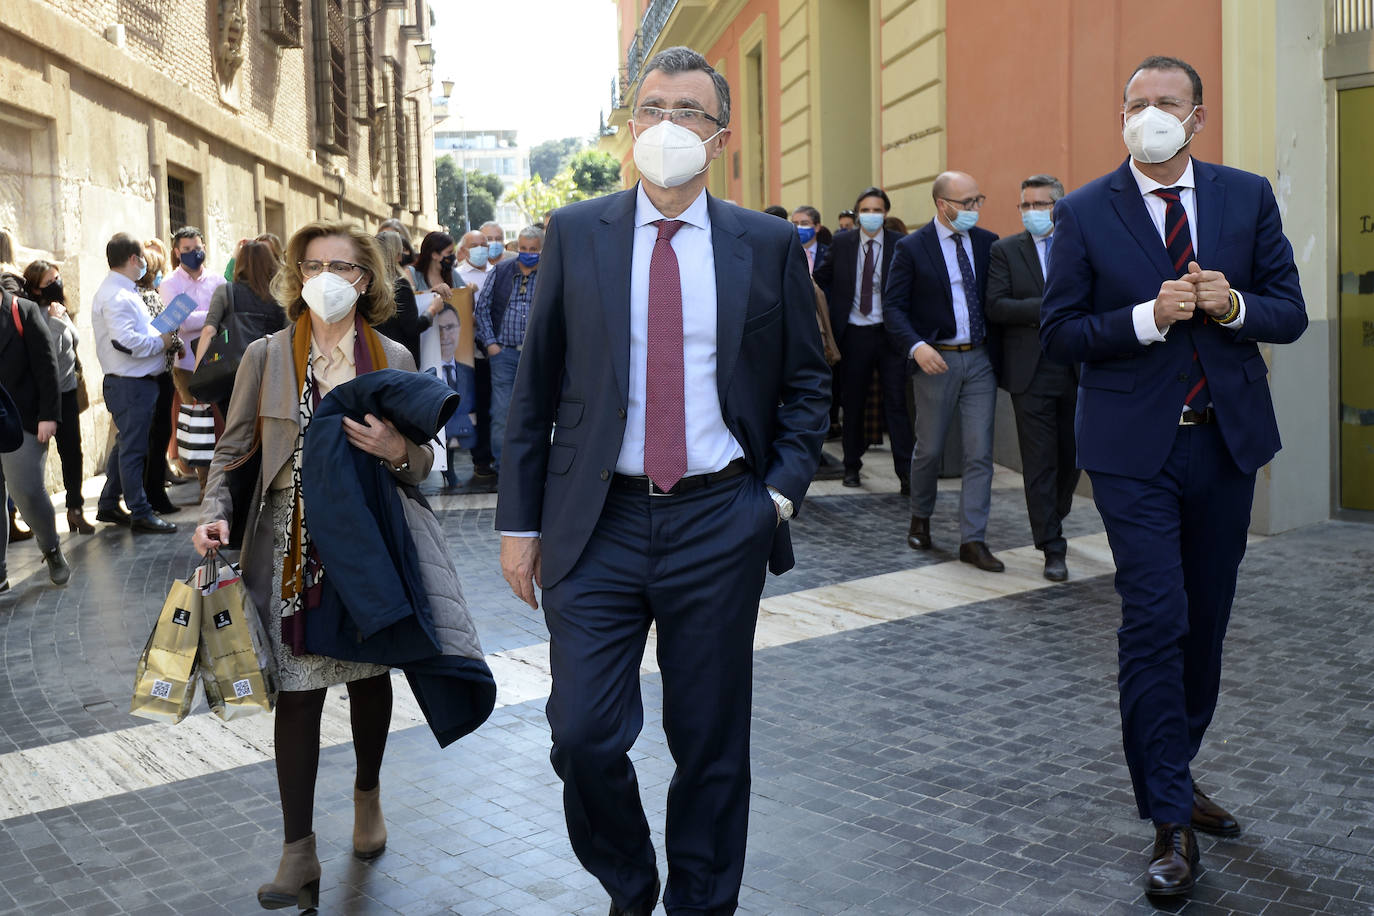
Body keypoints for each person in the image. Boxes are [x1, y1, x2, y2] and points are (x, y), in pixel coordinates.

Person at [497, 46, 829, 916]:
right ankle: (630, 882)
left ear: (719, 136)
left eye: (690, 111)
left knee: (712, 740)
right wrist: (516, 525)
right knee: (583, 734)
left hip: (721, 517)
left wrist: (777, 497)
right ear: (629, 126)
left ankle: (700, 904)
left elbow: (807, 382)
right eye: (654, 108)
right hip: (593, 520)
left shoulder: (763, 242)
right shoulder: (577, 231)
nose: (669, 125)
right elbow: (534, 392)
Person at [1041, 55, 1307, 898]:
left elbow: (1289, 311)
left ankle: (1176, 769)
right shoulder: (1084, 212)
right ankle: (1166, 820)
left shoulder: (1245, 195)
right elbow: (1060, 333)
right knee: (1154, 621)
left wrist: (1232, 307)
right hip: (1133, 454)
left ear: (1198, 117)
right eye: (1136, 103)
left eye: (1168, 103)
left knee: (1205, 622)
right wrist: (1145, 318)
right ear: (1120, 116)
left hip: (1223, 444)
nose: (1150, 114)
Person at [192, 220, 432, 910]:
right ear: (296, 277)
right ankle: (298, 852)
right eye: (315, 264)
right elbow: (233, 451)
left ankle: (367, 796)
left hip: (367, 547)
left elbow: (420, 465)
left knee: (367, 678)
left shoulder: (392, 357)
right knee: (296, 693)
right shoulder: (268, 356)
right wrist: (215, 511)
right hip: (289, 549)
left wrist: (393, 446)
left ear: (369, 280)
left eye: (346, 266)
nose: (329, 277)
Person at [884, 171, 1004, 571]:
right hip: (936, 360)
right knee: (930, 449)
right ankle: (921, 516)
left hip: (981, 360)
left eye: (977, 200)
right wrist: (917, 347)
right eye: (967, 203)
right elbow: (894, 308)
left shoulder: (988, 244)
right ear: (943, 204)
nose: (974, 209)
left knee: (979, 452)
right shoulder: (912, 248)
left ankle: (973, 539)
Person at [986, 175, 1079, 582]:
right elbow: (997, 305)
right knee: (1039, 463)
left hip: (1078, 368)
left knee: (1073, 457)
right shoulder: (1005, 250)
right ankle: (1051, 546)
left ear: (1057, 207)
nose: (1031, 212)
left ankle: (1053, 513)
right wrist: (1051, 308)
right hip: (1030, 373)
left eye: (1039, 205)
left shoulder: (1080, 243)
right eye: (1025, 205)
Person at [814, 187, 913, 493]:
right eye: (866, 210)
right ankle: (851, 467)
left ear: (886, 213)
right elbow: (820, 278)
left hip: (889, 335)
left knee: (897, 404)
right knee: (852, 402)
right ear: (858, 214)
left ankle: (906, 472)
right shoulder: (843, 243)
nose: (872, 216)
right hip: (853, 334)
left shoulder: (901, 244)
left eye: (877, 210)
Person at [92, 235, 179, 533]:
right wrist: (161, 342)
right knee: (133, 449)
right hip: (130, 384)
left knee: (126, 445)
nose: (144, 262)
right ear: (132, 259)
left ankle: (107, 503)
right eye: (141, 257)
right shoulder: (116, 296)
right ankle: (140, 511)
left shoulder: (124, 292)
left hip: (136, 383)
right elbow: (125, 342)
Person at [0, 277, 71, 590]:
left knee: (26, 491)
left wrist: (48, 416)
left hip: (23, 420)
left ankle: (51, 547)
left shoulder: (22, 311)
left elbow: (47, 366)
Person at [22, 260, 93, 534]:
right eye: (50, 281)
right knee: (35, 456)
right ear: (37, 289)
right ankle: (31, 516)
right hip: (42, 396)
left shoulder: (59, 310)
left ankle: (75, 508)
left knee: (73, 452)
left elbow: (72, 344)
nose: (57, 284)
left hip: (67, 391)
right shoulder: (33, 314)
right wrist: (54, 320)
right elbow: (45, 352)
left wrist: (60, 318)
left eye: (58, 278)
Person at [161, 226, 227, 494]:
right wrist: (213, 314)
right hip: (187, 364)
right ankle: (205, 485)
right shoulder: (170, 284)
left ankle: (226, 478)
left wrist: (204, 316)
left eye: (197, 248)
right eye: (186, 250)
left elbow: (227, 314)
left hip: (219, 359)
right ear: (177, 252)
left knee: (223, 419)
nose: (193, 254)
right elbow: (181, 322)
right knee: (199, 423)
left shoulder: (217, 281)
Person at [474, 225, 542, 475]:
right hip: (505, 354)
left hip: (538, 356)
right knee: (502, 412)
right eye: (523, 248)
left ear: (542, 250)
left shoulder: (549, 272)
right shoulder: (502, 270)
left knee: (536, 411)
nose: (527, 253)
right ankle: (505, 468)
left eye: (533, 249)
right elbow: (482, 309)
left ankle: (534, 466)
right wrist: (491, 344)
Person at [194, 239, 287, 415]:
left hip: (230, 375)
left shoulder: (225, 291)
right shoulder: (281, 295)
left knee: (234, 428)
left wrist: (199, 372)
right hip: (271, 373)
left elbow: (208, 331)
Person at [135, 241, 181, 514]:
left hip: (144, 374)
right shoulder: (150, 297)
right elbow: (165, 336)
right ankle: (154, 495)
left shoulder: (135, 295)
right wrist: (176, 340)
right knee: (158, 434)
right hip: (159, 374)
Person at [454, 229, 496, 484]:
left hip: (496, 351)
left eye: (484, 243)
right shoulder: (458, 276)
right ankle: (481, 459)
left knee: (497, 408)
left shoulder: (497, 272)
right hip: (471, 354)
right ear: (465, 250)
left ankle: (496, 455)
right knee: (477, 407)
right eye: (476, 245)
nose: (482, 248)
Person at [432, 306, 475, 489]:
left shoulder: (468, 372)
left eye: (449, 327)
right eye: (439, 329)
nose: (444, 336)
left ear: (459, 328)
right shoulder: (426, 374)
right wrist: (465, 421)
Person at [372, 229, 423, 365]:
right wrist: (431, 312)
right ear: (397, 254)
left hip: (375, 357)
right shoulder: (400, 285)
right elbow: (412, 327)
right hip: (401, 360)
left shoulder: (367, 283)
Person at [790, 205, 826, 272]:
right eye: (795, 224)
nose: (799, 227)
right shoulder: (786, 253)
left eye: (804, 223)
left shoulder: (828, 253)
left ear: (817, 227)